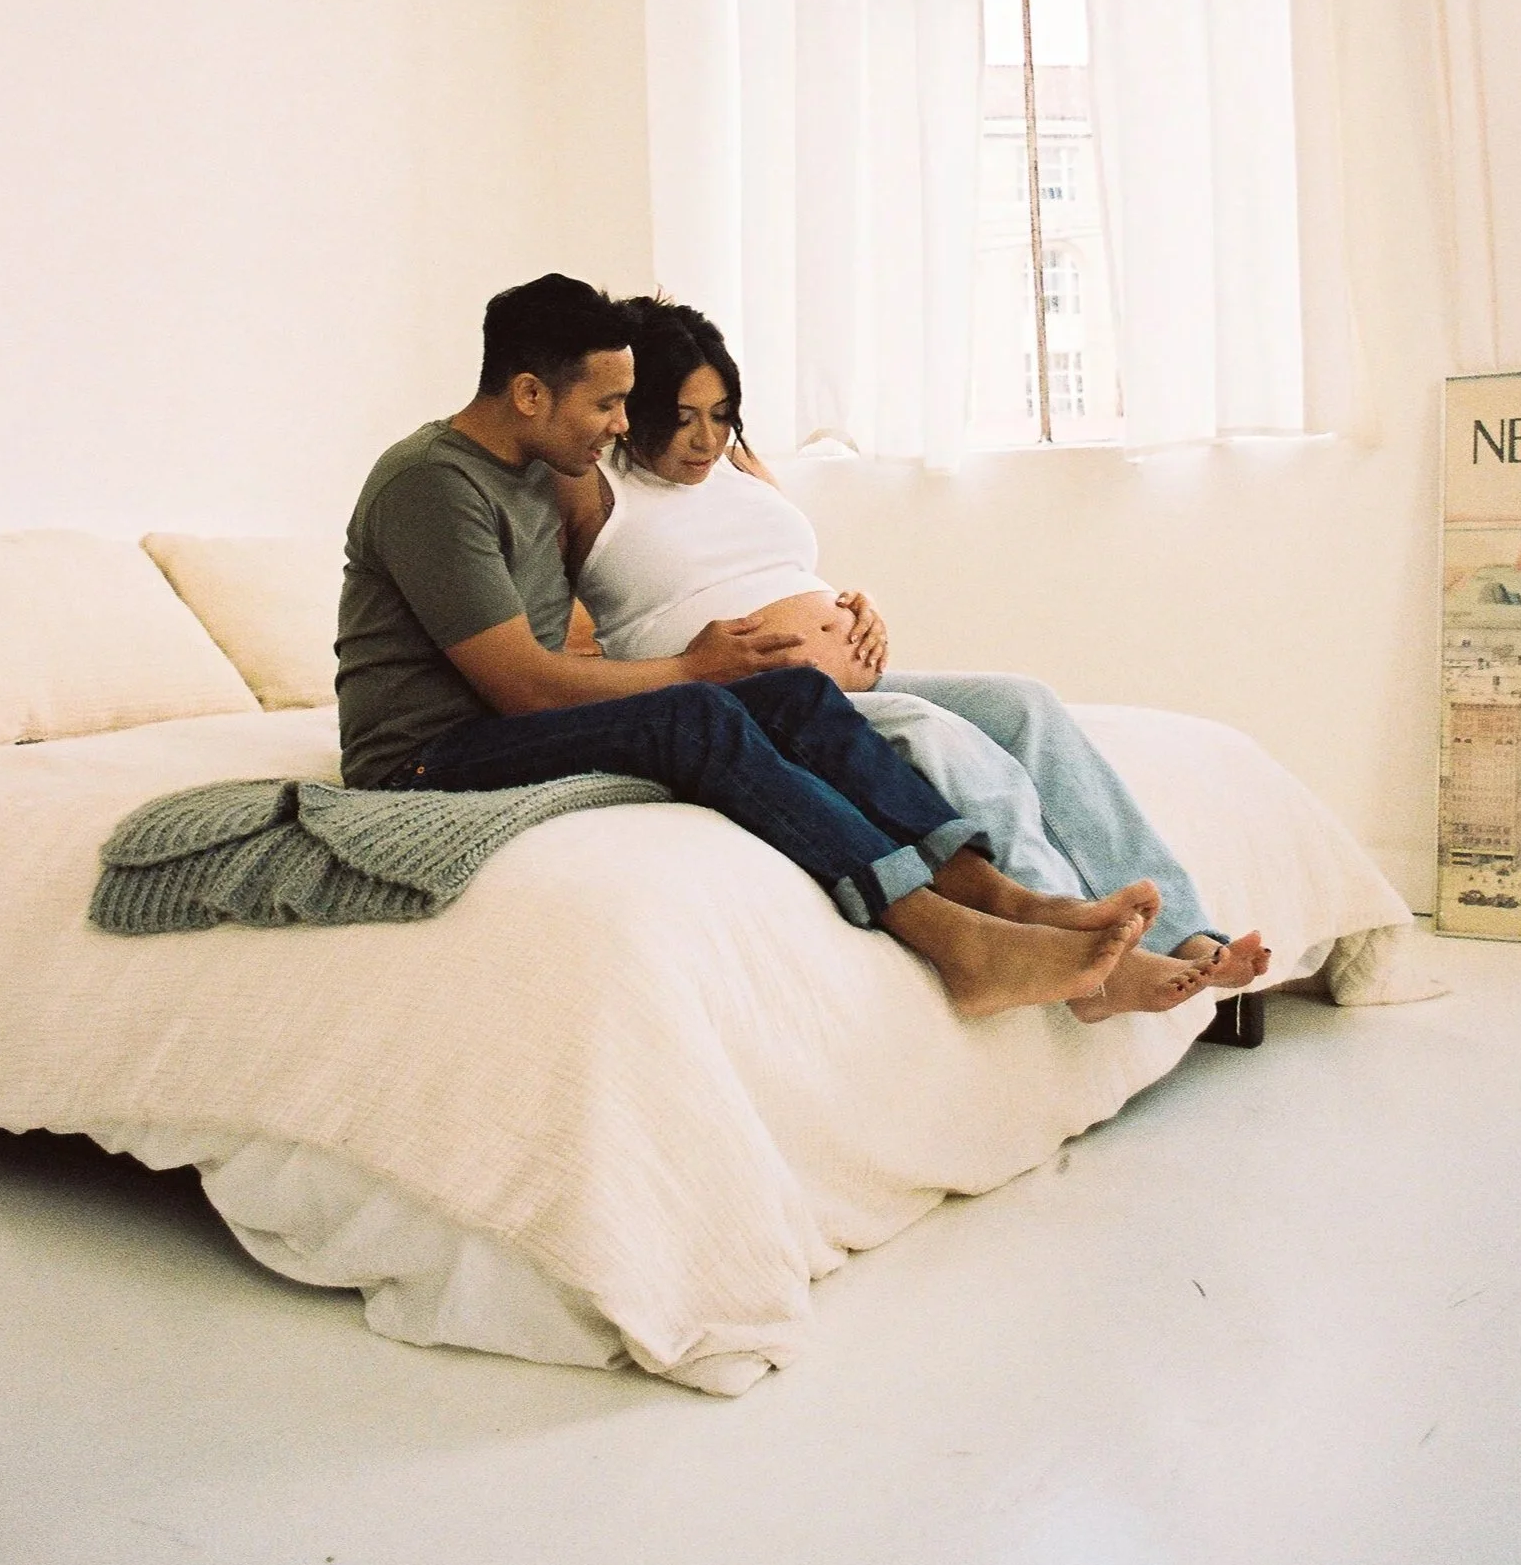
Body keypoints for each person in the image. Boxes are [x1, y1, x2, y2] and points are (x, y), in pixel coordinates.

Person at [335, 273, 1148, 1019]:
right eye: (605, 406)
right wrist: (691, 667)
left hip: (499, 725)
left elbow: (572, 626)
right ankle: (950, 938)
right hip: (425, 757)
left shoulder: (533, 466)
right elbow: (525, 689)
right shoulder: (430, 485)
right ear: (526, 393)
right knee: (697, 716)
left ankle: (1001, 899)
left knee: (795, 695)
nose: (621, 425)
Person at [561, 296, 1270, 1022]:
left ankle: (1182, 931)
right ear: (630, 409)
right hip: (759, 705)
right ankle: (1087, 960)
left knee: (1024, 702)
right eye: (680, 417)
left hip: (848, 683)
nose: (705, 438)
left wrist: (848, 606)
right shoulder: (588, 486)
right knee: (939, 735)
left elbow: (776, 565)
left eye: (720, 413)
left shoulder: (737, 466)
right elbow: (551, 629)